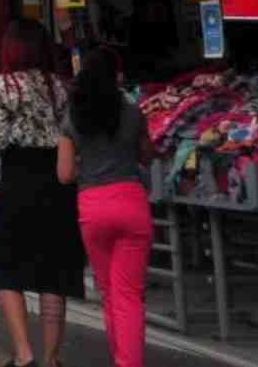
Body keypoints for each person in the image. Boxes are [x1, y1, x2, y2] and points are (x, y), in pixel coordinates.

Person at [0, 19, 87, 367]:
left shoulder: (4, 85)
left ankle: (24, 354)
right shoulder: (62, 87)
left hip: (18, 181)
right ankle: (51, 358)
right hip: (57, 182)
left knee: (9, 266)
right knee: (53, 270)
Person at [58, 48, 154, 367]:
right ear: (115, 75)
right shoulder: (133, 112)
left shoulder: (73, 117)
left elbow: (65, 174)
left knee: (109, 294)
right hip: (131, 203)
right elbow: (146, 155)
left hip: (93, 208)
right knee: (129, 295)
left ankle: (120, 357)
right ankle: (128, 362)